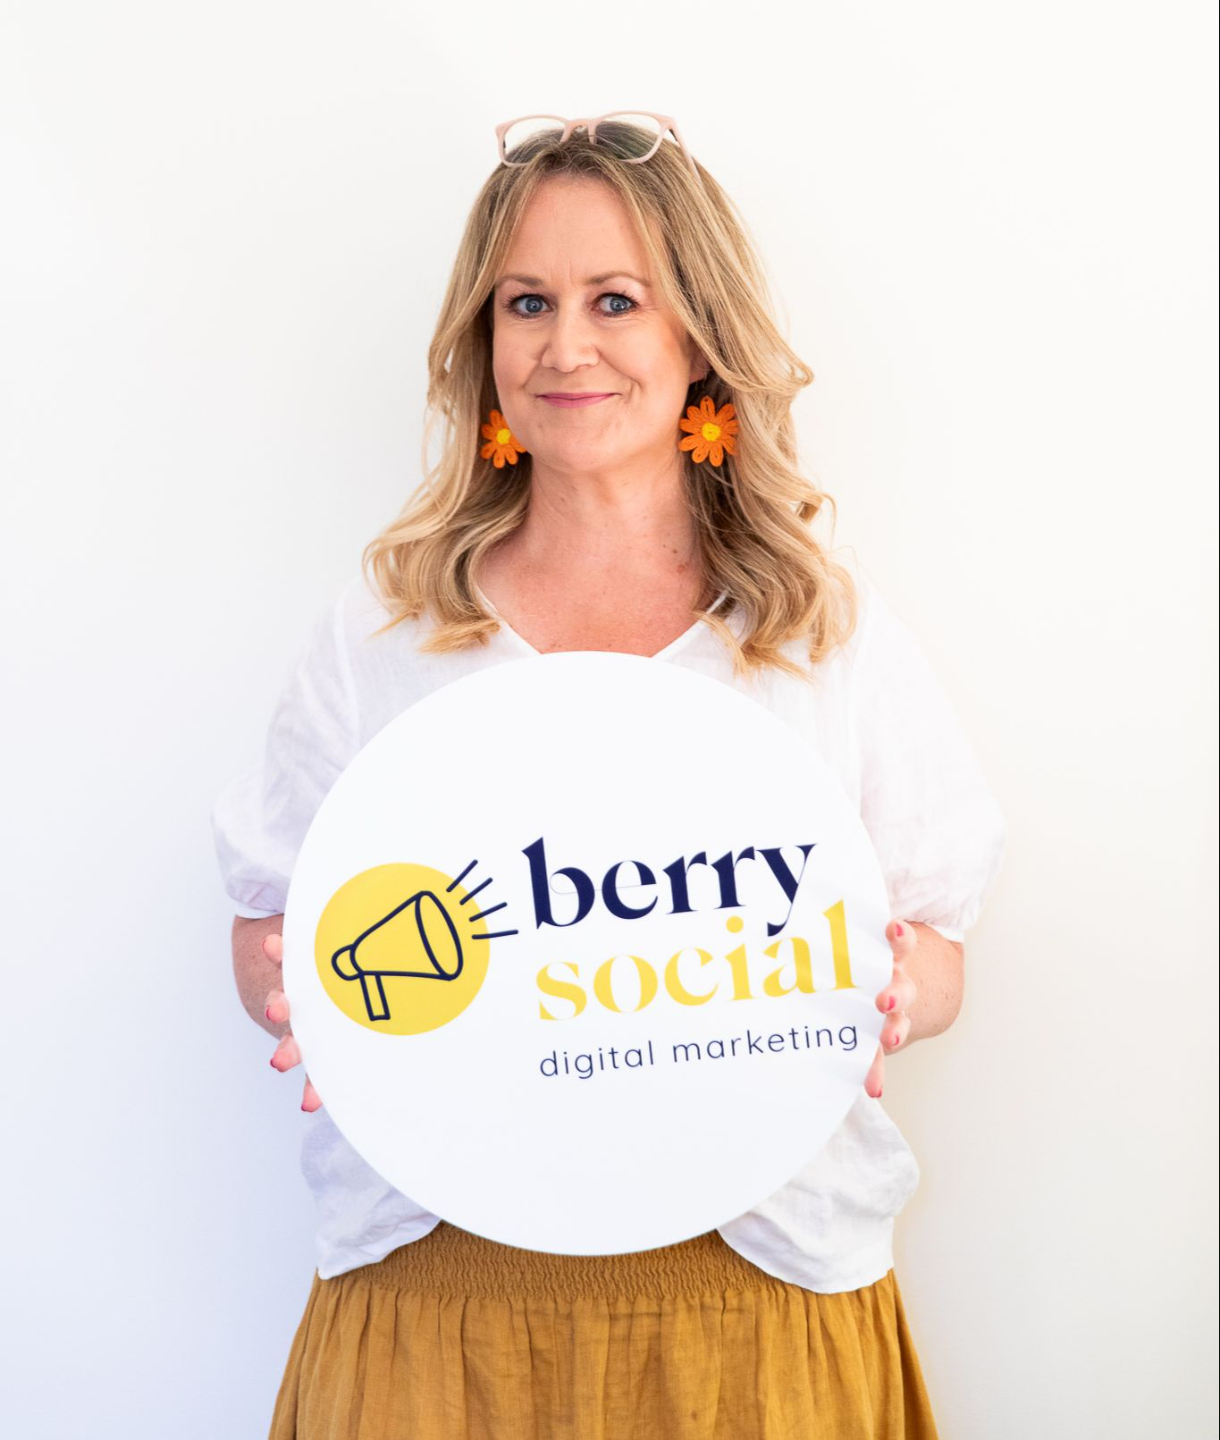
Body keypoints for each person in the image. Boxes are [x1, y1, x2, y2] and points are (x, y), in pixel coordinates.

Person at [212, 113, 1007, 1439]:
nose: (564, 346)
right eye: (526, 302)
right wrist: (300, 994)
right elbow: (267, 928)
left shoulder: (816, 629)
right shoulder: (387, 633)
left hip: (757, 1294)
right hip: (439, 1297)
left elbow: (935, 948)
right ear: (484, 343)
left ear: (697, 335)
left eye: (615, 300)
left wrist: (892, 995)